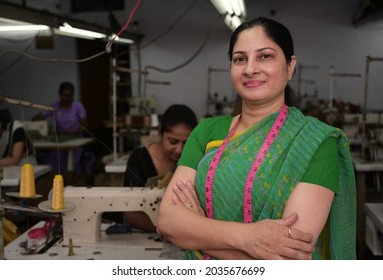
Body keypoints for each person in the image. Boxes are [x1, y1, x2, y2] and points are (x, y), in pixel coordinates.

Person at [157, 17, 356, 260]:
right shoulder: (207, 132)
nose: (250, 68)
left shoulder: (316, 142)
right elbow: (168, 221)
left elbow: (288, 259)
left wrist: (197, 234)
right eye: (240, 59)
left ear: (290, 65)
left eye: (265, 56)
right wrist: (251, 238)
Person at [119, 104, 198, 233]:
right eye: (173, 142)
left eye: (186, 143)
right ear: (161, 133)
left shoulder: (191, 162)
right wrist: (168, 232)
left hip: (179, 234)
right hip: (142, 234)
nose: (180, 150)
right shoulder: (139, 159)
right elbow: (131, 213)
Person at [32, 82, 89, 173]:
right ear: (59, 94)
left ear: (72, 95)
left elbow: (85, 126)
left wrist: (72, 132)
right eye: (64, 95)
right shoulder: (54, 107)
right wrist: (45, 127)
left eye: (69, 96)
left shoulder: (78, 107)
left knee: (72, 164)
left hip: (76, 138)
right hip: (60, 139)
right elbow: (36, 118)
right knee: (53, 161)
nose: (66, 98)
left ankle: (70, 180)